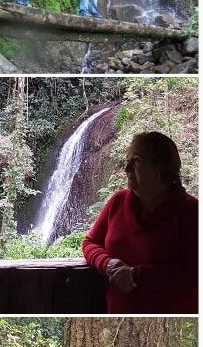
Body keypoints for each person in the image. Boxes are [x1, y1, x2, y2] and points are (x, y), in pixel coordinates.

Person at [83, 131, 198, 314]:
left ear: (161, 167)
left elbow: (192, 272)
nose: (127, 168)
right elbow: (90, 242)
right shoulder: (117, 201)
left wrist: (135, 275)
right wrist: (107, 263)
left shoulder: (191, 212)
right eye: (128, 160)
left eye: (136, 160)